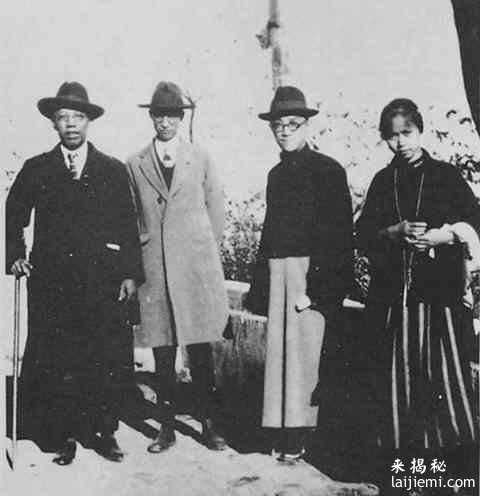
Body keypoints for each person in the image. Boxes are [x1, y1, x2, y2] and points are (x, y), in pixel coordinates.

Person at [5, 82, 144, 465]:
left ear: (88, 121)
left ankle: (103, 432)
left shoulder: (111, 170)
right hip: (51, 282)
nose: (70, 124)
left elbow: (127, 226)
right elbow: (14, 213)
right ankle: (61, 434)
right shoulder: (37, 168)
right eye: (63, 117)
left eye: (77, 117)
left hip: (100, 281)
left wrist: (130, 274)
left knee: (102, 355)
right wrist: (15, 255)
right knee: (57, 357)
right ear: (53, 123)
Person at [356, 98, 479, 491]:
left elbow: (474, 219)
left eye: (407, 133)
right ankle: (406, 475)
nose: (401, 142)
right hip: (396, 303)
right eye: (392, 136)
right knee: (399, 388)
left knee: (445, 383)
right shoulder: (382, 181)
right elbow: (362, 235)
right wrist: (394, 232)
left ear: (420, 131)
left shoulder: (445, 175)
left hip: (440, 301)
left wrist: (446, 235)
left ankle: (452, 476)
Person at [247, 86, 354, 463]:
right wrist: (261, 286)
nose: (285, 131)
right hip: (279, 274)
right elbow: (269, 232)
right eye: (278, 125)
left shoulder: (328, 171)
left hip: (312, 275)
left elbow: (340, 236)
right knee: (281, 357)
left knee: (307, 357)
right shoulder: (275, 175)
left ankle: (302, 435)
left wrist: (321, 289)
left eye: (293, 124)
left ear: (306, 126)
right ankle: (281, 429)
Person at [126, 81, 229, 452]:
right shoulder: (135, 163)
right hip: (155, 270)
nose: (165, 122)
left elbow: (215, 209)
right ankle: (166, 428)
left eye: (172, 115)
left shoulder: (199, 158)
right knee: (163, 353)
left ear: (181, 118)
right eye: (159, 115)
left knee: (200, 351)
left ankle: (209, 424)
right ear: (151, 118)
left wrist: (202, 253)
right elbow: (131, 216)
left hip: (194, 270)